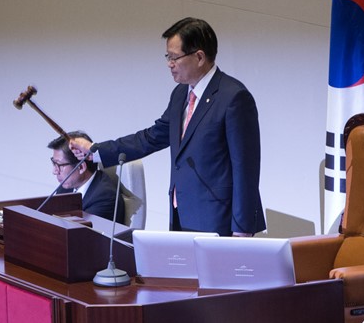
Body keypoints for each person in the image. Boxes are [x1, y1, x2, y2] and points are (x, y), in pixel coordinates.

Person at [70, 17, 266, 237]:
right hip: (181, 214)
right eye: (167, 57)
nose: (169, 64)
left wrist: (242, 228)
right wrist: (96, 151)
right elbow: (151, 138)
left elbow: (245, 168)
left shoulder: (233, 97)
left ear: (199, 57)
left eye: (174, 57)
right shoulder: (181, 93)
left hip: (218, 219)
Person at [48, 131, 125, 224]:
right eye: (53, 163)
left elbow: (79, 231)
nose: (54, 171)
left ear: (81, 167)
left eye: (58, 165)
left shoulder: (105, 197)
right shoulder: (65, 188)